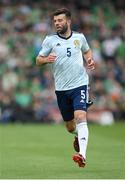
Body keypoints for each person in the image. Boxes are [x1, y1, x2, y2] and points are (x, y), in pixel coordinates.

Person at [36, 7, 95, 168]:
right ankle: (78, 135)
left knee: (81, 116)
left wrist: (89, 60)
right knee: (70, 127)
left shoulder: (79, 37)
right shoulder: (49, 40)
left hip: (79, 84)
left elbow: (87, 51)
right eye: (55, 21)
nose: (57, 23)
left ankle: (82, 155)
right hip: (61, 89)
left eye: (60, 20)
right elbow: (38, 60)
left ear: (68, 21)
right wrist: (46, 59)